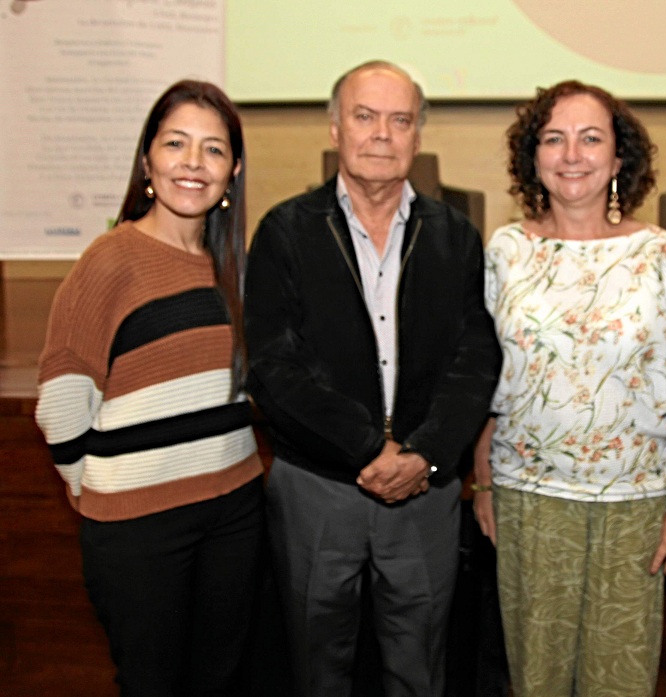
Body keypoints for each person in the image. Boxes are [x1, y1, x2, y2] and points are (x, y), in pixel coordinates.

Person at [244, 60, 502, 697]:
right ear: (335, 128)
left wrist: (425, 454)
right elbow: (275, 368)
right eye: (365, 116)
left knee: (420, 668)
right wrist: (366, 447)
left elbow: (476, 361)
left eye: (400, 120)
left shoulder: (457, 237)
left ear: (417, 137)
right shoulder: (284, 231)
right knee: (315, 666)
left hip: (425, 492)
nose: (382, 134)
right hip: (318, 489)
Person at [34, 80, 264, 695]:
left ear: (233, 172)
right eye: (176, 144)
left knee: (222, 680)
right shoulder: (111, 259)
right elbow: (60, 403)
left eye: (214, 150)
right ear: (147, 161)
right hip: (138, 526)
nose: (194, 163)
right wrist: (105, 496)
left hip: (234, 510)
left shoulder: (232, 265)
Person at [472, 80, 666, 697]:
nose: (572, 154)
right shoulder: (507, 250)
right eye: (554, 138)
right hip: (529, 495)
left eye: (591, 138)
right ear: (533, 157)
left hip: (635, 498)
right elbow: (489, 375)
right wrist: (483, 480)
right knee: (536, 678)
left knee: (620, 681)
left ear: (619, 158)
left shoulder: (659, 252)